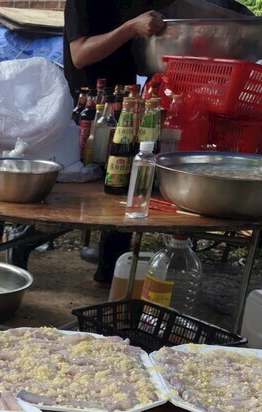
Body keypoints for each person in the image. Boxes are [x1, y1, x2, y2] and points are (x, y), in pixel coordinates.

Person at [63, 0, 166, 286]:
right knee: (78, 188)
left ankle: (109, 271)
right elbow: (80, 55)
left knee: (123, 181)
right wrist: (131, 27)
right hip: (88, 106)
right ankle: (25, 242)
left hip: (125, 102)